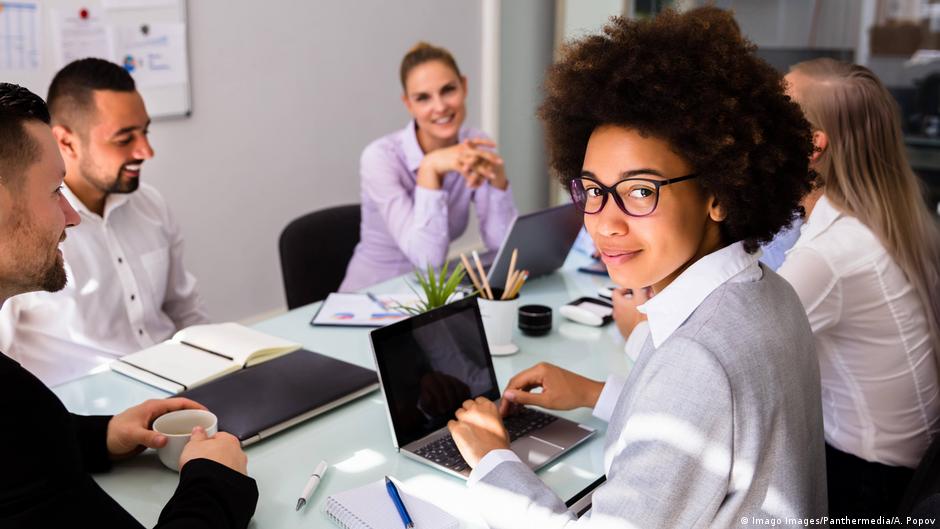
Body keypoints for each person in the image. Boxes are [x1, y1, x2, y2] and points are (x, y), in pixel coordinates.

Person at [446, 8, 827, 527]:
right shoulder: (768, 291)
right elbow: (713, 424)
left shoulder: (696, 358)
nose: (604, 224)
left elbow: (694, 393)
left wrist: (494, 460)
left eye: (640, 191)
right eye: (593, 191)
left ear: (717, 193)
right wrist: (594, 394)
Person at [0, 82, 256, 528]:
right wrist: (215, 481)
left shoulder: (22, 413)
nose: (72, 215)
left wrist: (101, 436)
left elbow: (22, 448)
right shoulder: (14, 402)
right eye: (54, 191)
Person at [778, 58, 940, 517]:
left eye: (773, 111)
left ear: (812, 146)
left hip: (867, 484)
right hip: (908, 467)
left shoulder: (832, 255)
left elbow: (734, 361)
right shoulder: (890, 218)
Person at [0, 58, 208, 386]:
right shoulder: (25, 236)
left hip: (176, 384)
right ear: (65, 141)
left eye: (145, 132)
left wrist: (215, 369)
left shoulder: (150, 204)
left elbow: (184, 309)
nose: (146, 151)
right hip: (88, 411)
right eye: (125, 139)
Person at [339, 42, 517, 291]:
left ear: (464, 87)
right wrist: (430, 167)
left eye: (448, 90)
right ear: (408, 104)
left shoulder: (474, 145)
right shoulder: (379, 157)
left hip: (432, 296)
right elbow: (426, 259)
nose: (440, 106)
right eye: (423, 98)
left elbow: (504, 246)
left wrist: (498, 180)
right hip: (373, 297)